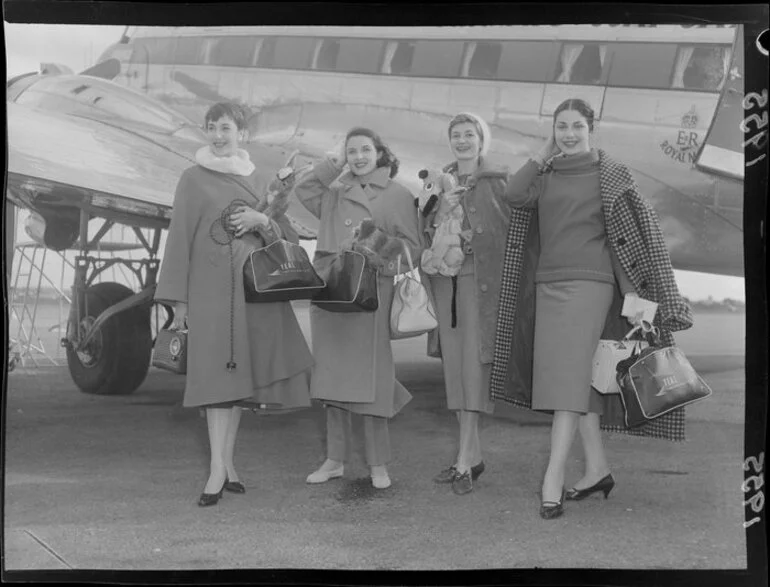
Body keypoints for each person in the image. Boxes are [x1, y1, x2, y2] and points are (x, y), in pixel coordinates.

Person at [491, 98, 693, 519]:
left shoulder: (610, 174)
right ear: (552, 132)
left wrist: (634, 297)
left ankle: (553, 474)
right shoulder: (545, 176)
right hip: (548, 286)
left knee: (565, 384)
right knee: (574, 381)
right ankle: (597, 469)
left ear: (591, 128)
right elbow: (513, 193)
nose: (569, 134)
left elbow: (621, 240)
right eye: (561, 127)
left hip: (592, 285)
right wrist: (541, 153)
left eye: (577, 126)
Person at [155, 102, 313, 507]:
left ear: (241, 133)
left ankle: (227, 465)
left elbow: (287, 237)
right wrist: (178, 301)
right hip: (209, 293)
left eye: (225, 127)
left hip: (250, 293)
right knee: (215, 382)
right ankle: (216, 471)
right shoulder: (192, 178)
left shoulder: (260, 178)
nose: (218, 135)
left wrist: (264, 222)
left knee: (240, 382)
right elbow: (179, 239)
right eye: (212, 128)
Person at [294, 127, 421, 490]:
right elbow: (304, 189)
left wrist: (371, 243)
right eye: (351, 151)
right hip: (332, 290)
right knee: (332, 381)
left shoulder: (397, 194)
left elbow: (414, 248)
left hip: (369, 293)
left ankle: (378, 464)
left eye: (366, 150)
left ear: (380, 153)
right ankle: (334, 460)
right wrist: (332, 161)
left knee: (373, 382)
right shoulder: (335, 190)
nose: (359, 157)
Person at [422, 112, 537, 496]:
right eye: (456, 135)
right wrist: (440, 209)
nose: (463, 140)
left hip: (479, 287)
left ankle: (465, 459)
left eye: (469, 134)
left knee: (474, 373)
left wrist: (471, 237)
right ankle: (470, 457)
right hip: (444, 284)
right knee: (455, 372)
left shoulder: (498, 183)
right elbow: (424, 230)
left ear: (481, 140)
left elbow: (509, 237)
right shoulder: (437, 182)